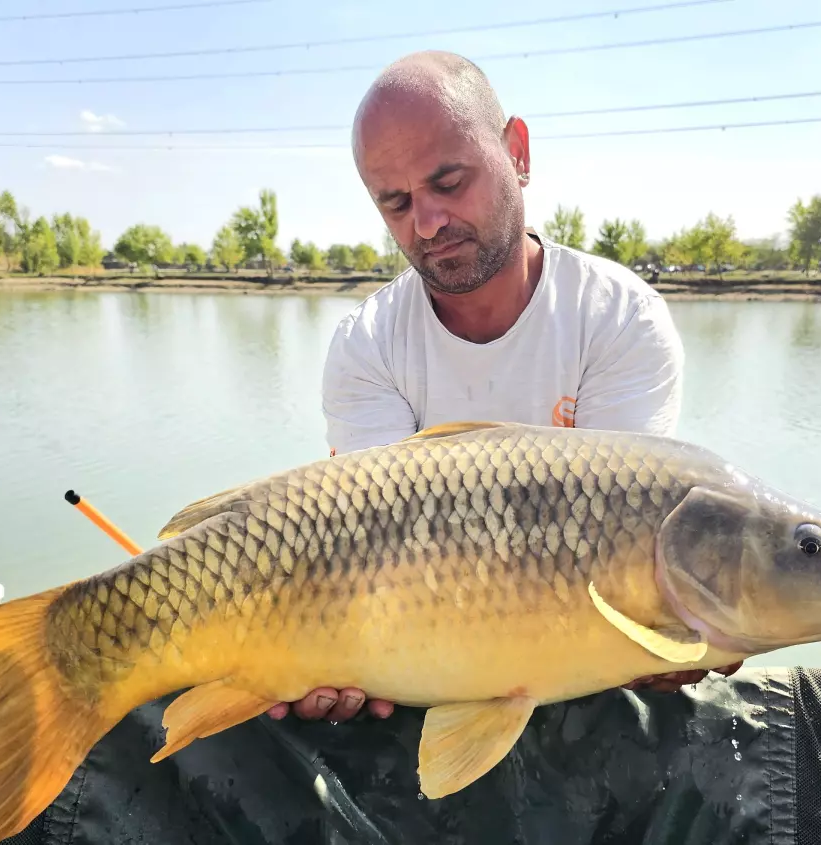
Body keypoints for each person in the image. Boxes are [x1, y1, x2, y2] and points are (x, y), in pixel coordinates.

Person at [269, 50, 741, 725]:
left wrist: (687, 628)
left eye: (449, 182)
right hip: (419, 660)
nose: (427, 222)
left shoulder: (619, 318)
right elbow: (372, 556)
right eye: (396, 203)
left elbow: (625, 547)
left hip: (583, 685)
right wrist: (314, 656)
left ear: (517, 151)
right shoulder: (366, 345)